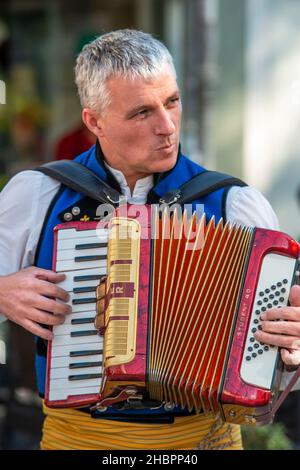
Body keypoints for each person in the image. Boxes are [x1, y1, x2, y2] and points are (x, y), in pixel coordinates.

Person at [0, 29, 299, 451]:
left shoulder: (236, 203)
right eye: (142, 112)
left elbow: (277, 363)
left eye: (172, 102)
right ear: (94, 122)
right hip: (79, 438)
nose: (167, 126)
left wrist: (290, 346)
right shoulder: (37, 194)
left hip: (202, 442)